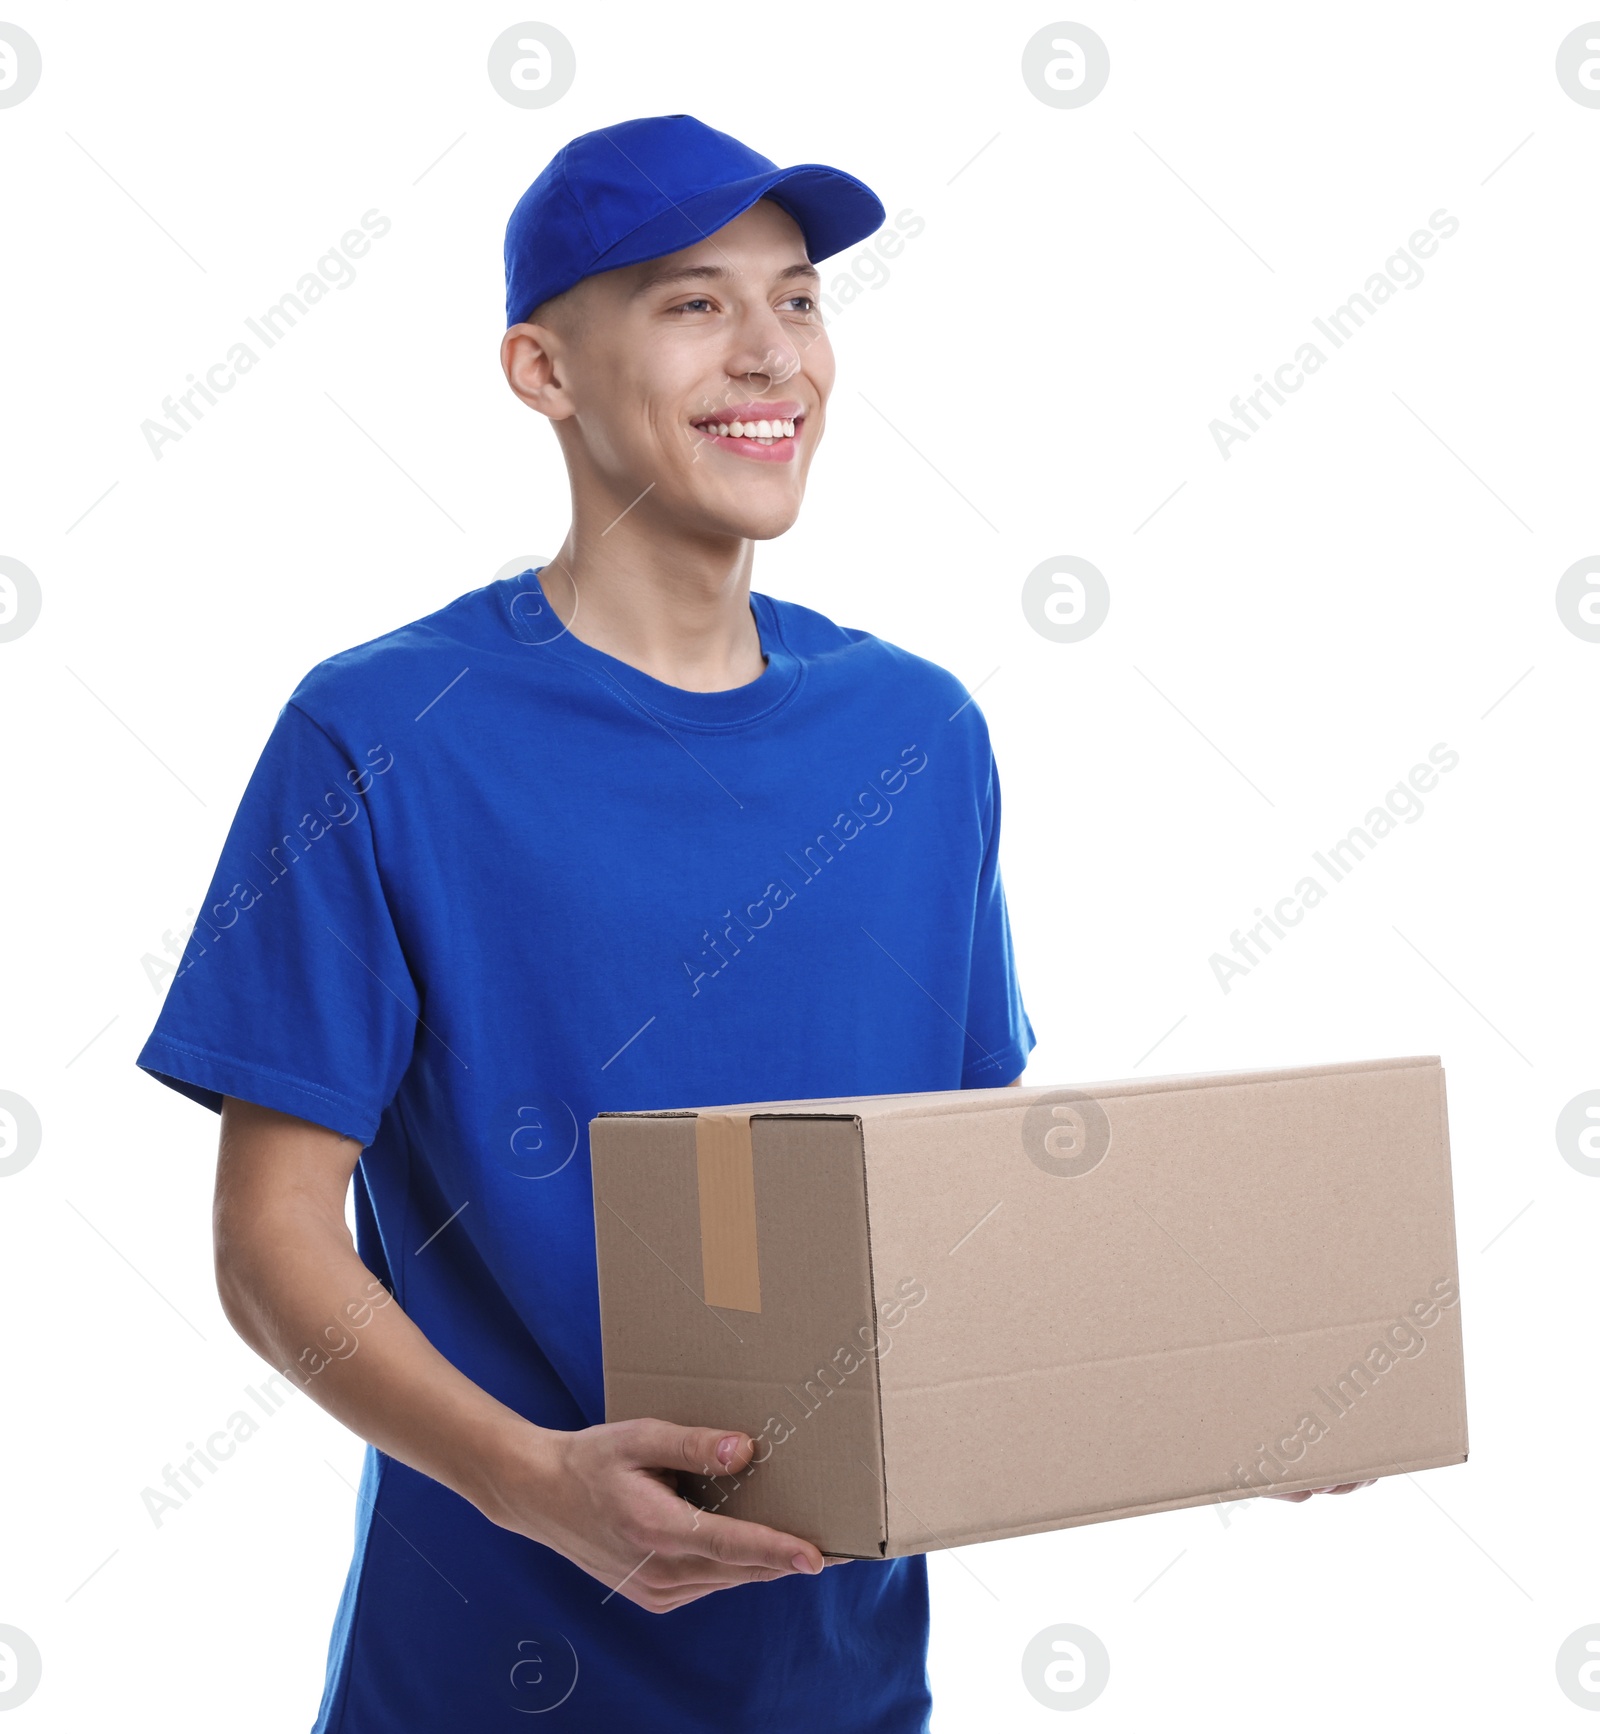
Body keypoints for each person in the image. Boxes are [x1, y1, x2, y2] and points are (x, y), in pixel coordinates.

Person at [136, 114, 1036, 1731]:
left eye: (802, 299)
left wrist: (1222, 1395)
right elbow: (268, 1238)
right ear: (542, 371)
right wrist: (535, 1482)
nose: (773, 355)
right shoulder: (382, 734)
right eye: (695, 305)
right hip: (478, 1682)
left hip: (843, 1687)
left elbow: (969, 1195)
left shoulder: (918, 734)